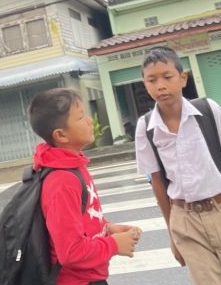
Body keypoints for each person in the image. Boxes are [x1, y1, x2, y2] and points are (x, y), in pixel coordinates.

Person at [134, 47, 221, 285]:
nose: (160, 86)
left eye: (167, 77)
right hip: (185, 220)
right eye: (152, 80)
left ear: (183, 78)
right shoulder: (145, 127)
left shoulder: (208, 110)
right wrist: (172, 234)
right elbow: (157, 184)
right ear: (145, 85)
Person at [28, 88, 141, 285]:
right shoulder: (62, 181)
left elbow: (82, 220)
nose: (89, 121)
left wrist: (107, 229)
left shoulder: (73, 165)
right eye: (81, 117)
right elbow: (70, 252)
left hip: (90, 277)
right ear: (61, 135)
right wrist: (113, 245)